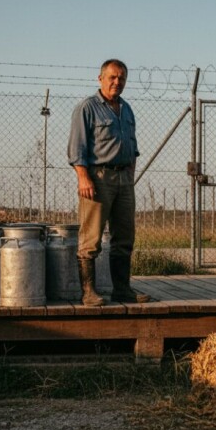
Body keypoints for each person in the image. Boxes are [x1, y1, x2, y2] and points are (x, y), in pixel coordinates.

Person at [67, 58, 150, 306]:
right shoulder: (88, 108)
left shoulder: (126, 109)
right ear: (100, 78)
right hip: (98, 178)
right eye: (112, 77)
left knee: (124, 237)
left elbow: (133, 148)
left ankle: (122, 289)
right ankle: (89, 292)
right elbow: (76, 147)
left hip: (124, 179)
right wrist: (83, 177)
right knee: (91, 238)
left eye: (122, 78)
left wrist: (130, 176)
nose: (117, 82)